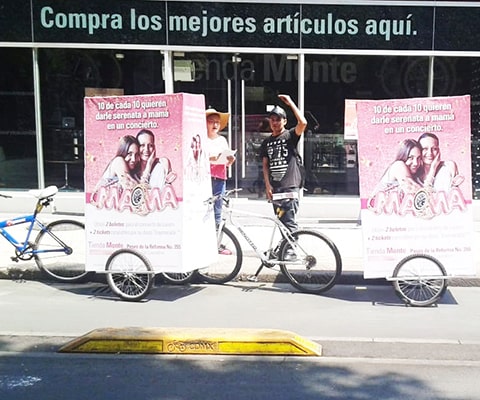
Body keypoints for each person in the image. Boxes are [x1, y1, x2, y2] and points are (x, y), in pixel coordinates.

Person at [260, 94, 307, 233]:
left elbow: (303, 123)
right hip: (276, 187)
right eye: (272, 120)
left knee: (289, 223)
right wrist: (267, 185)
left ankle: (292, 246)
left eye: (278, 119)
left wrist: (290, 103)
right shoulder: (266, 142)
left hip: (290, 187)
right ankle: (286, 245)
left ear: (285, 121)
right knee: (281, 222)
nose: (275, 122)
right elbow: (265, 165)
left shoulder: (290, 136)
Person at [206, 108, 236, 228]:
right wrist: (214, 158)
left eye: (217, 122)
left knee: (218, 208)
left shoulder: (222, 140)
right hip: (205, 178)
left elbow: (226, 162)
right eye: (211, 121)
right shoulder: (201, 139)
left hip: (220, 177)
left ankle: (217, 234)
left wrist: (230, 160)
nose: (215, 125)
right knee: (205, 207)